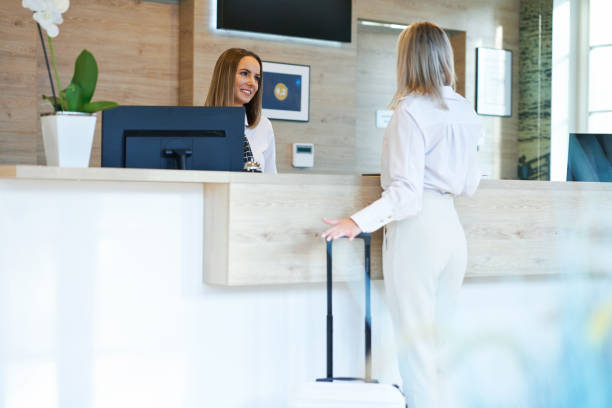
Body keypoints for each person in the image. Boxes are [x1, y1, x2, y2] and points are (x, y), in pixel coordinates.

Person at [321, 22, 481, 408]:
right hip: (452, 230)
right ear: (443, 56)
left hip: (418, 232)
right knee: (440, 347)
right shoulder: (465, 109)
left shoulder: (410, 112)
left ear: (407, 59)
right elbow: (472, 181)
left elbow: (406, 195)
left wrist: (356, 222)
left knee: (417, 351)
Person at [205, 48, 277, 173]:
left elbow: (271, 178)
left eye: (257, 78)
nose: (252, 83)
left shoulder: (263, 126)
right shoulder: (201, 123)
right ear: (225, 76)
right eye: (244, 74)